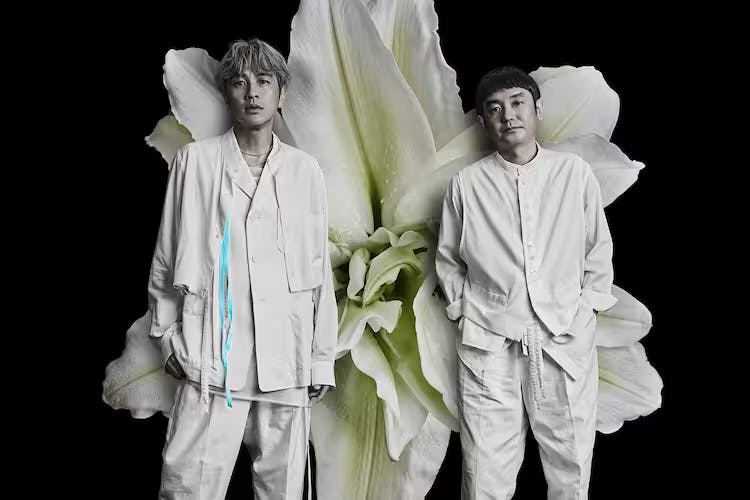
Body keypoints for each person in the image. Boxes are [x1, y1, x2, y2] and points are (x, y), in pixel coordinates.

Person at [147, 38, 337, 499]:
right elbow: (166, 255)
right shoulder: (195, 162)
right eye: (239, 82)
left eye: (264, 82)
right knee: (188, 488)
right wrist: (166, 334)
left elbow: (319, 271)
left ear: (281, 94)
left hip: (286, 360)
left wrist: (320, 358)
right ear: (226, 93)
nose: (252, 92)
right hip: (210, 359)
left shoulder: (305, 170)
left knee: (283, 491)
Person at [435, 66, 616, 500]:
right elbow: (448, 259)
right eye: (494, 108)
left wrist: (585, 310)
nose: (508, 115)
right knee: (483, 474)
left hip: (562, 337)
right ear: (484, 121)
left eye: (518, 103)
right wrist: (465, 313)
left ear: (538, 110)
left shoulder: (573, 174)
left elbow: (598, 248)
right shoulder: (466, 184)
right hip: (489, 343)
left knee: (571, 469)